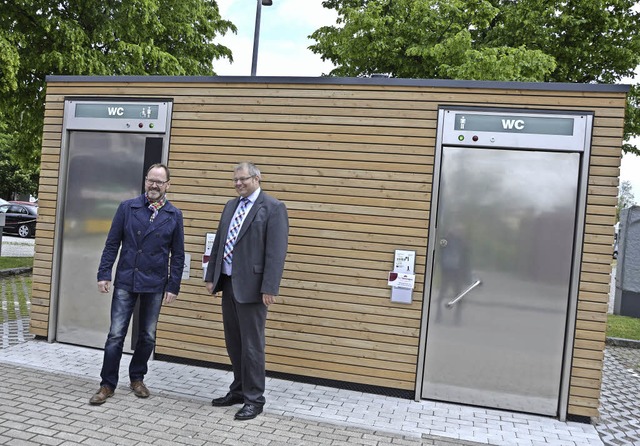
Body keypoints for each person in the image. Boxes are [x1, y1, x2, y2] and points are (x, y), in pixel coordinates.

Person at [89, 163, 185, 405]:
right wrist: (104, 273)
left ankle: (137, 378)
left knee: (148, 336)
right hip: (126, 279)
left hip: (155, 283)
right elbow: (112, 244)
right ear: (145, 181)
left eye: (159, 182)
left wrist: (173, 285)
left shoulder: (174, 215)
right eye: (150, 180)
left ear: (167, 186)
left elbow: (178, 254)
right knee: (115, 335)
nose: (154, 185)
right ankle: (107, 384)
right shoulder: (127, 208)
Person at [205, 161, 288, 421]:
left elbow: (276, 253)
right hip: (229, 283)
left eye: (243, 179)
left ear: (257, 178)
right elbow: (219, 242)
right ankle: (238, 390)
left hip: (253, 289)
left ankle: (255, 399)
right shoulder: (231, 206)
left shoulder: (273, 208)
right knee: (234, 342)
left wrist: (269, 287)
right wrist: (212, 276)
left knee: (252, 345)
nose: (239, 183)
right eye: (235, 180)